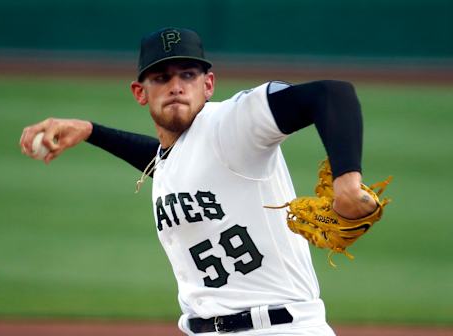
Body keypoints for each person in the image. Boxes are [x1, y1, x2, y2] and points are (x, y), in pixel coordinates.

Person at [20, 27, 378, 335]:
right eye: (161, 78)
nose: (176, 86)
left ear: (208, 84)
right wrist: (91, 131)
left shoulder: (232, 123)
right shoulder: (174, 157)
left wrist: (347, 182)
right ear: (140, 92)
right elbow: (169, 162)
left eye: (188, 75)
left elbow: (332, 94)